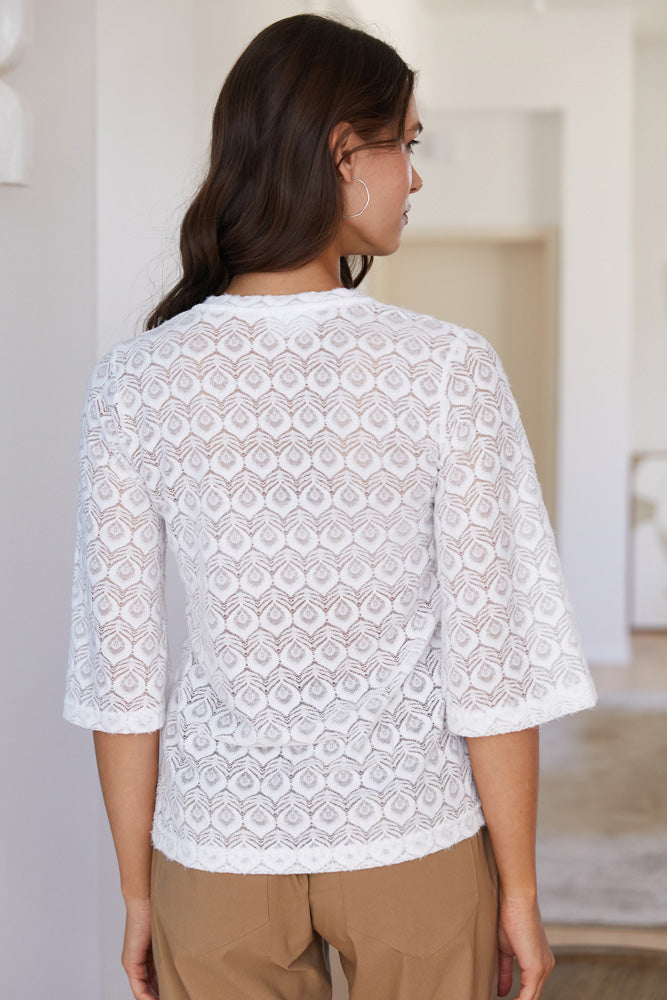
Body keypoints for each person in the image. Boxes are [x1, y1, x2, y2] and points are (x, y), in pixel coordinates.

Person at [64, 13, 597, 1000]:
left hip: (214, 854)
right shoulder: (446, 369)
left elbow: (121, 677)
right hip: (414, 839)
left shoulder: (134, 383)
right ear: (344, 154)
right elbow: (491, 663)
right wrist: (518, 888)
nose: (416, 179)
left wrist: (139, 892)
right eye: (407, 145)